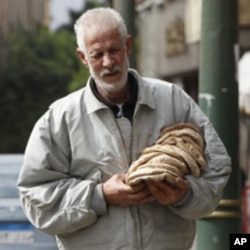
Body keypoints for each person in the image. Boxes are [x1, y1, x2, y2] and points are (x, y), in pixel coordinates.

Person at [17, 7, 231, 250]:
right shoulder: (59, 119)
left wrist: (184, 195)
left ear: (127, 45)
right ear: (83, 57)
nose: (108, 62)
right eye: (97, 54)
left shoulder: (174, 101)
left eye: (114, 50)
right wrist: (100, 196)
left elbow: (217, 169)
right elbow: (36, 199)